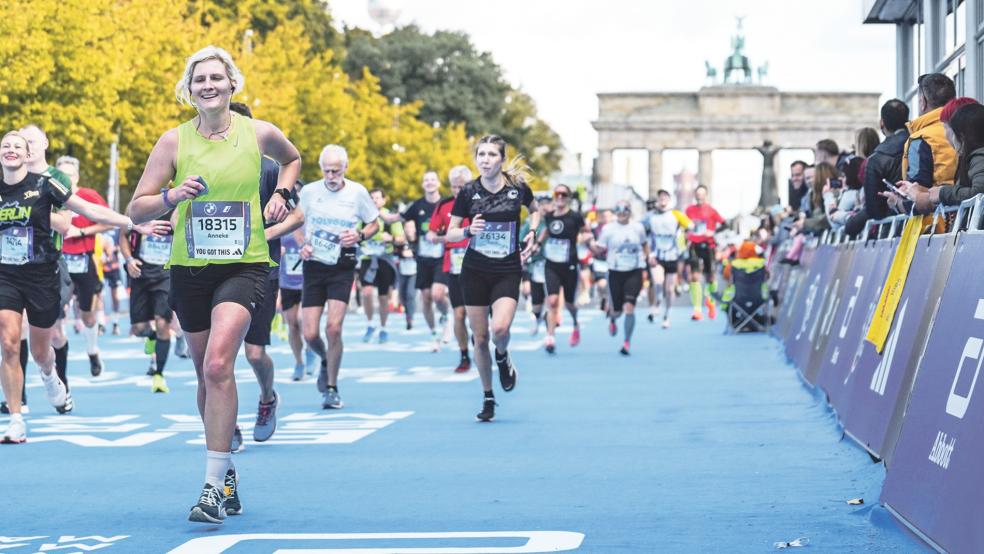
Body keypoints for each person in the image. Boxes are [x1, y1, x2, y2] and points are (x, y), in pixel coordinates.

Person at [127, 46, 299, 524]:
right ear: (189, 88)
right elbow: (137, 209)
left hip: (245, 264)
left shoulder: (258, 132)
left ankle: (209, 487)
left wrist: (282, 195)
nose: (208, 85)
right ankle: (226, 472)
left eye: (216, 78)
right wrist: (171, 196)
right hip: (191, 268)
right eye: (199, 78)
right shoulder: (173, 142)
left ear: (231, 84)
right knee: (207, 373)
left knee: (222, 362)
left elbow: (293, 159)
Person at [1, 130, 146, 444]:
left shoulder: (46, 184)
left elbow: (86, 211)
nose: (11, 150)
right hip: (5, 275)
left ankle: (51, 378)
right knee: (10, 343)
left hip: (41, 275)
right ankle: (15, 419)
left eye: (18, 146)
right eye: (6, 145)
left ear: (27, 155)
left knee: (42, 351)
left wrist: (130, 224)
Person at [269, 144, 379, 412]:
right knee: (309, 333)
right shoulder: (309, 192)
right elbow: (296, 221)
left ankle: (331, 388)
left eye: (336, 171)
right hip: (315, 265)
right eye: (327, 171)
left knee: (334, 328)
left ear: (345, 168)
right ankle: (326, 359)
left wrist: (361, 235)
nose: (331, 176)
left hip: (343, 264)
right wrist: (303, 243)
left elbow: (374, 222)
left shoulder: (357, 192)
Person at [445, 135, 539, 422]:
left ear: (501, 159)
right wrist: (467, 232)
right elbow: (450, 232)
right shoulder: (468, 192)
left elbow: (535, 212)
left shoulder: (517, 188)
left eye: (491, 155)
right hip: (474, 269)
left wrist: (532, 233)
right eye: (481, 154)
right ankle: (488, 397)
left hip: (507, 268)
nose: (485, 160)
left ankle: (503, 355)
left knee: (499, 330)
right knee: (480, 337)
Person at [228, 101, 288, 446]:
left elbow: (297, 216)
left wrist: (265, 232)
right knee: (219, 358)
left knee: (253, 354)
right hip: (216, 271)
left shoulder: (269, 170)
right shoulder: (202, 168)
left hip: (261, 271)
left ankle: (267, 398)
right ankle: (228, 423)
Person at [48, 152, 111, 377]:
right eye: (61, 175)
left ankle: (93, 352)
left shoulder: (88, 196)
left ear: (77, 177)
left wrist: (83, 231)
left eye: (70, 175)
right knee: (55, 315)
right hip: (57, 262)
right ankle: (59, 352)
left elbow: (108, 222)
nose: (66, 180)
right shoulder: (48, 195)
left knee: (87, 315)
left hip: (84, 261)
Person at [885, 73, 958, 214]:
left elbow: (917, 195)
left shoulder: (921, 139)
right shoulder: (968, 128)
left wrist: (897, 203)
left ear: (923, 102)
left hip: (936, 226)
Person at [119, 211, 175, 393]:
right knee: (139, 329)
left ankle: (159, 374)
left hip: (165, 274)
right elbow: (123, 236)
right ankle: (151, 337)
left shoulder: (177, 206)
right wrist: (129, 260)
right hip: (140, 274)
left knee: (162, 324)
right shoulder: (137, 206)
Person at [397, 171, 451, 350]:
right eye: (426, 180)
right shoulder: (417, 205)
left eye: (433, 180)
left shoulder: (446, 204)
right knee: (426, 298)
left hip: (441, 257)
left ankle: (446, 315)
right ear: (422, 184)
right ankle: (434, 332)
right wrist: (376, 212)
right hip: (422, 258)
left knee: (437, 294)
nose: (429, 183)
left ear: (438, 183)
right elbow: (397, 218)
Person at [427, 165, 474, 372]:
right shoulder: (444, 206)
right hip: (453, 265)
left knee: (477, 314)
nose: (457, 191)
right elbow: (430, 234)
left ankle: (480, 341)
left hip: (477, 265)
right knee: (459, 314)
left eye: (461, 187)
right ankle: (464, 355)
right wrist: (443, 237)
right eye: (454, 187)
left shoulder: (480, 204)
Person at [589, 201, 650, 355]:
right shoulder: (609, 229)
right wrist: (589, 243)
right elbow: (600, 249)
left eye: (626, 210)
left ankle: (626, 342)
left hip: (634, 271)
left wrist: (649, 258)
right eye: (619, 210)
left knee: (629, 307)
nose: (622, 212)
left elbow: (644, 244)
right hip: (615, 272)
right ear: (615, 212)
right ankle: (613, 318)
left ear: (630, 211)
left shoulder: (638, 227)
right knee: (617, 311)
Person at [845, 99, 910, 236]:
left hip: (890, 230)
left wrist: (852, 224)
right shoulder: (920, 142)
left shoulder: (876, 158)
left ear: (882, 122)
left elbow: (873, 208)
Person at [903, 103, 984, 210]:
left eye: (948, 129)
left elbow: (978, 193)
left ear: (962, 136)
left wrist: (942, 193)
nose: (947, 136)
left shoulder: (978, 156)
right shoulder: (973, 157)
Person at [538, 184, 588, 354]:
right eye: (557, 194)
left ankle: (575, 322)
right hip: (551, 264)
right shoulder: (549, 216)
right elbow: (545, 231)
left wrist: (591, 243)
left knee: (569, 303)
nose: (559, 197)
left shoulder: (575, 217)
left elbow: (586, 232)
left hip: (570, 265)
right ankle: (550, 337)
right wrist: (537, 243)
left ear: (568, 197)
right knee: (552, 301)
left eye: (563, 194)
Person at [359, 188, 403, 344]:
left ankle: (383, 328)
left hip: (385, 259)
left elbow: (401, 239)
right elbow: (356, 233)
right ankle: (370, 324)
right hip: (367, 258)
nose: (374, 201)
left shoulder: (390, 217)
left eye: (378, 198)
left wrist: (390, 238)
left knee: (384, 297)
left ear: (384, 200)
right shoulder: (362, 215)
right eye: (371, 198)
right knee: (366, 292)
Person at [644, 189, 692, 328]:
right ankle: (657, 302)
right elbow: (641, 232)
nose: (662, 200)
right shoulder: (651, 216)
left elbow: (692, 227)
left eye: (665, 197)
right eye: (660, 198)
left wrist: (686, 243)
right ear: (657, 200)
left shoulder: (676, 214)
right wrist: (648, 253)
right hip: (656, 255)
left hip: (672, 255)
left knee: (670, 289)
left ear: (669, 200)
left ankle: (667, 315)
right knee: (658, 283)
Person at [825, 128, 879, 231]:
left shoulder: (858, 166)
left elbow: (835, 221)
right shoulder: (878, 162)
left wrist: (829, 198)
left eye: (844, 176)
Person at [684, 185, 724, 321]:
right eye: (697, 194)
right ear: (695, 195)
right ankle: (697, 310)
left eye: (702, 194)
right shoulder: (689, 210)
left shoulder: (711, 211)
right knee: (695, 277)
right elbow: (683, 225)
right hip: (694, 246)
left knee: (710, 277)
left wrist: (712, 232)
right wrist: (686, 235)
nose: (700, 196)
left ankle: (710, 301)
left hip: (708, 246)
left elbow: (724, 224)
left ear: (706, 195)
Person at [521, 195, 550, 336]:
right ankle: (538, 317)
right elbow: (521, 242)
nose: (545, 207)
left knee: (553, 298)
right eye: (541, 204)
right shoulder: (531, 224)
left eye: (547, 204)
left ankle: (550, 336)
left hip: (553, 265)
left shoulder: (556, 220)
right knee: (537, 300)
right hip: (535, 264)